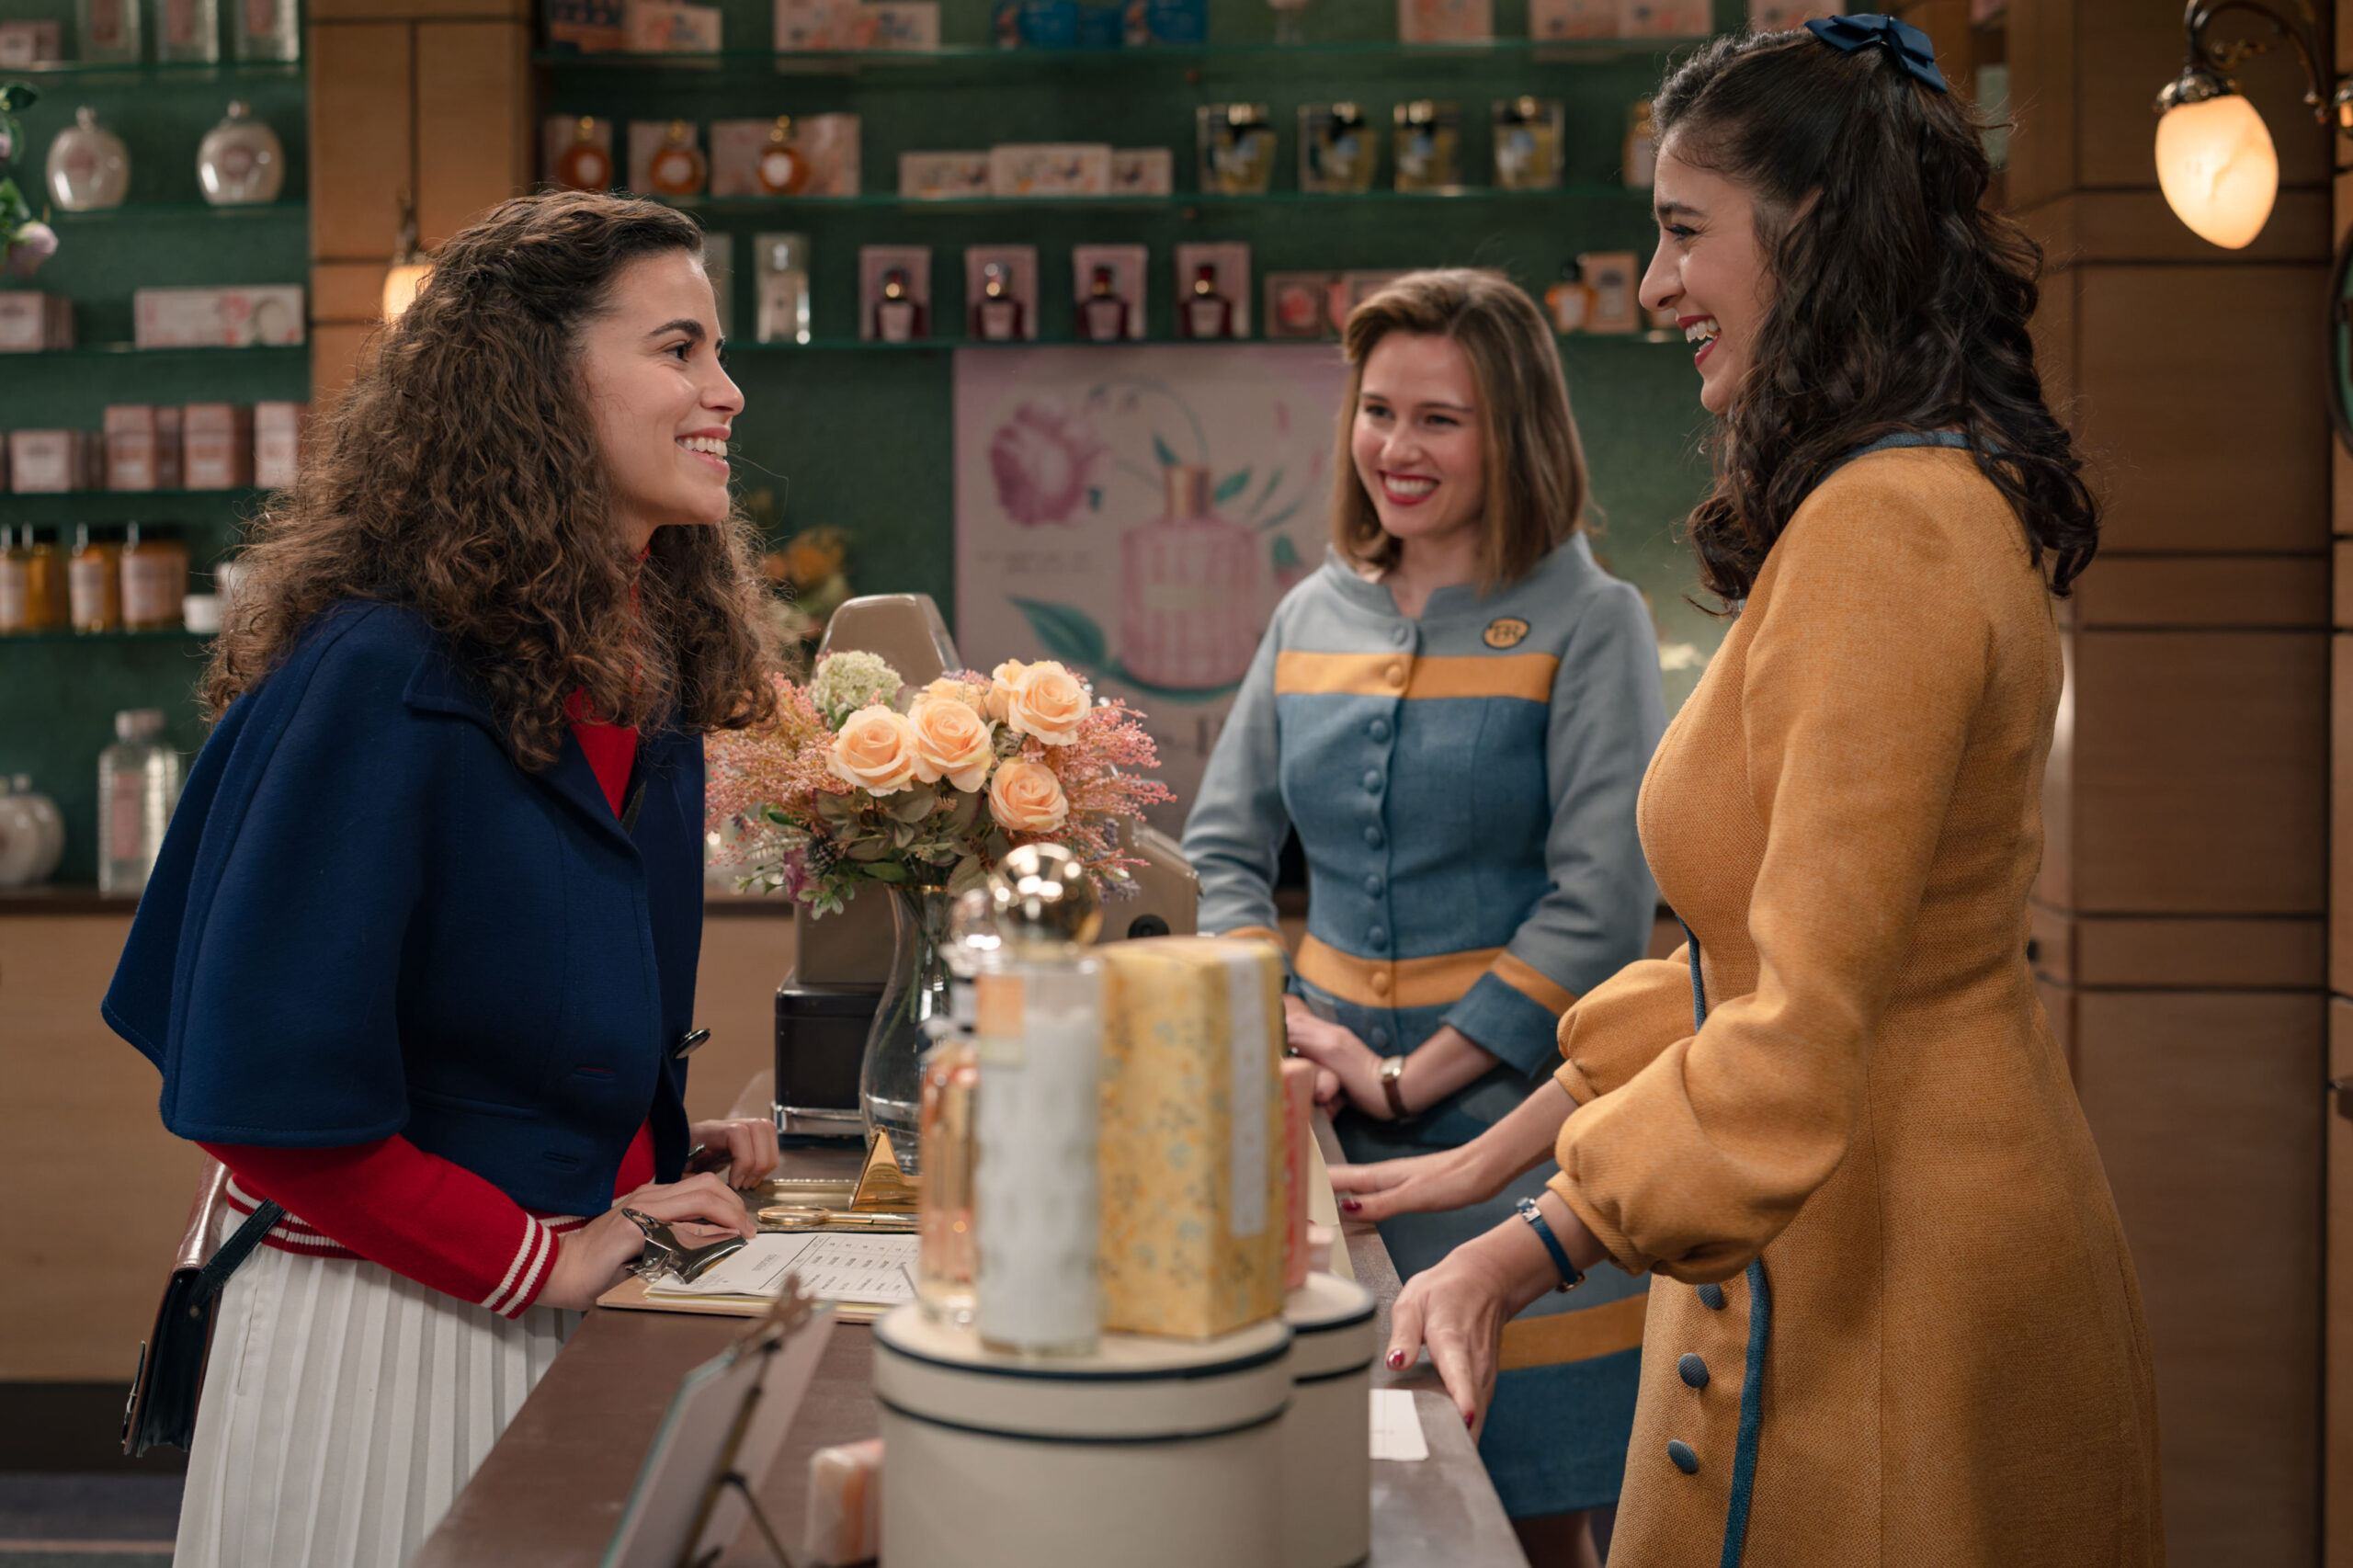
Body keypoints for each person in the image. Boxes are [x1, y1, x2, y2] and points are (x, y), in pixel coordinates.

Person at [1336, 18, 2164, 1567]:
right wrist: (1489, 1155)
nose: (1655, 286)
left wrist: (1520, 1248)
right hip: (1879, 1238)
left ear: (1812, 231)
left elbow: (1793, 1034)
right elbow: (1744, 966)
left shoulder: (1886, 532)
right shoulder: (1902, 497)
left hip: (1899, 1297)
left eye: (1681, 230)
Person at [103, 191, 787, 1568]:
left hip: (535, 1312)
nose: (727, 390)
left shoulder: (632, 668)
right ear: (539, 380)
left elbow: (506, 1025)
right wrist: (556, 1255)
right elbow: (265, 1103)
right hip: (384, 1341)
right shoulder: (383, 672)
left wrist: (649, 1151)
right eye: (679, 349)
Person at [1183, 267, 1665, 1562]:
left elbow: (1601, 906)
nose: (1397, 448)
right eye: (1379, 411)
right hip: (1321, 1150)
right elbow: (1221, 851)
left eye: (1440, 419)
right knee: (1341, 1513)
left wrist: (1405, 1078)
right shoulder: (1309, 611)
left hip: (1528, 1157)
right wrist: (1286, 1026)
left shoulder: (1594, 620)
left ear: (1516, 431)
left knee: (1533, 1531)